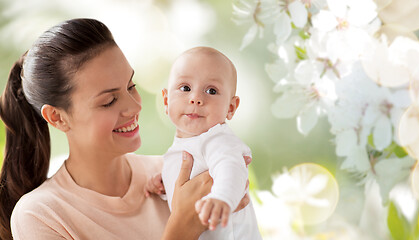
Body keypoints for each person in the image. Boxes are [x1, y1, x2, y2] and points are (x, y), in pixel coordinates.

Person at [0, 18, 250, 240]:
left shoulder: (176, 174)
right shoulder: (42, 215)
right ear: (57, 117)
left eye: (131, 86)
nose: (133, 106)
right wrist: (183, 229)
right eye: (108, 101)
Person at [158, 47, 262, 239]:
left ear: (230, 108)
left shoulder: (218, 140)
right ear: (166, 100)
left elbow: (230, 168)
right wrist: (164, 181)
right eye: (185, 88)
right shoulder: (184, 145)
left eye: (211, 91)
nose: (196, 98)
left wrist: (222, 197)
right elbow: (186, 184)